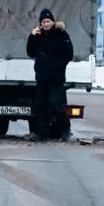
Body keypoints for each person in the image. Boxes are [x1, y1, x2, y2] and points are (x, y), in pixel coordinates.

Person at [26, 8, 73, 142]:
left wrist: (57, 66)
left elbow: (68, 54)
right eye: (43, 22)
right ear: (41, 23)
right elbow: (30, 52)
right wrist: (32, 36)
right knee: (40, 106)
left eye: (48, 21)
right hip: (42, 77)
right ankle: (43, 134)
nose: (46, 24)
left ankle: (65, 128)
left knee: (56, 105)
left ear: (53, 21)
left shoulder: (61, 35)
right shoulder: (39, 36)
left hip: (56, 78)